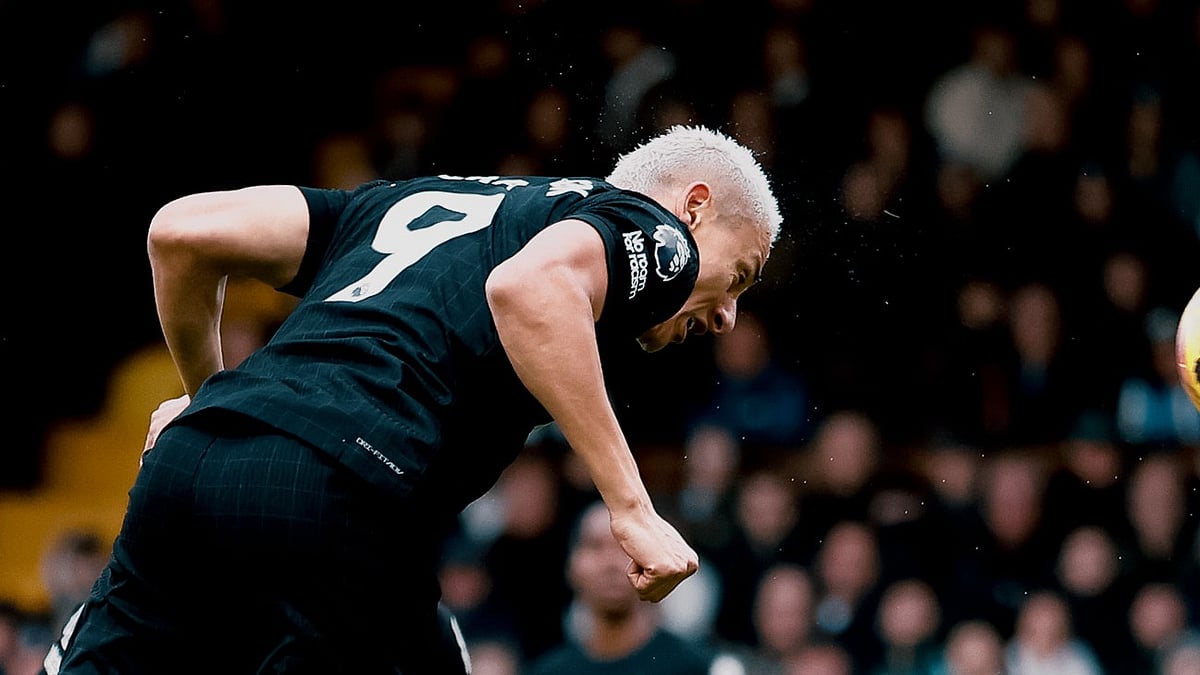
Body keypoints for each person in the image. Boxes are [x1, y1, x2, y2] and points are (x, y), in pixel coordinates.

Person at [45, 124, 783, 674]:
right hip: (338, 491)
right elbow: (529, 291)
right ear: (693, 205)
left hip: (189, 469)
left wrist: (206, 397)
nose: (726, 317)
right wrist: (632, 508)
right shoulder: (656, 234)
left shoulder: (411, 200)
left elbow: (181, 232)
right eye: (743, 276)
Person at [525, 501, 714, 674]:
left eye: (626, 548)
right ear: (571, 566)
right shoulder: (548, 671)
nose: (611, 563)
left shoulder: (699, 667)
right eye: (595, 546)